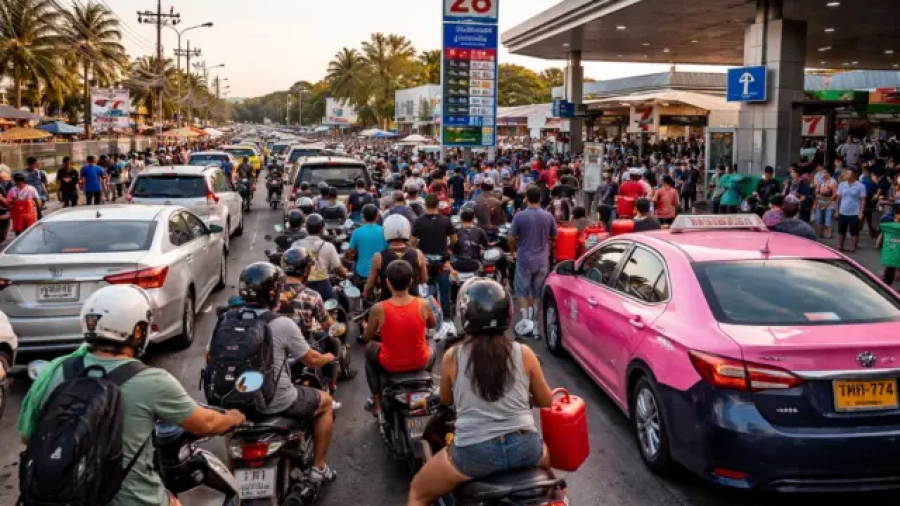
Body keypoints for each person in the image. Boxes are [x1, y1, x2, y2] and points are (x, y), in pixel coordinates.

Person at [19, 285, 246, 506]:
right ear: (137, 331)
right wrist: (234, 418)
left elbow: (28, 437)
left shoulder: (55, 372)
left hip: (63, 496)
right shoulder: (153, 381)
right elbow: (206, 423)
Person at [407, 278, 553, 506]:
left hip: (475, 454)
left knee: (418, 492)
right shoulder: (524, 352)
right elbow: (546, 400)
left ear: (465, 315)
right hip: (525, 448)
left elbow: (446, 399)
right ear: (507, 313)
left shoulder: (453, 356)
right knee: (552, 484)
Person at [234, 263, 338, 483]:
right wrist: (328, 358)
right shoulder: (282, 323)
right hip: (278, 401)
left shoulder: (226, 319)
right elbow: (311, 360)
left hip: (237, 400)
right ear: (273, 294)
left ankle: (232, 474)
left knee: (231, 427)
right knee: (326, 403)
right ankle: (319, 467)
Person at [363, 259, 436, 423]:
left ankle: (377, 405)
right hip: (421, 361)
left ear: (388, 283)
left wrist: (365, 326)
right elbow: (432, 324)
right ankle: (427, 380)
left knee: (369, 350)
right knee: (432, 341)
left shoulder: (378, 308)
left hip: (390, 364)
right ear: (411, 281)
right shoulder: (423, 304)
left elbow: (368, 336)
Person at [508, 185, 556, 329]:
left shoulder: (519, 216)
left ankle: (525, 322)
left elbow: (511, 238)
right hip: (542, 261)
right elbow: (554, 237)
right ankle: (535, 323)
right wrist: (548, 248)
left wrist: (512, 252)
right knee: (537, 294)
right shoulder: (548, 216)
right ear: (540, 198)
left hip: (524, 259)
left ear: (526, 198)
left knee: (522, 292)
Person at [412, 194, 457, 316]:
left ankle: (430, 318)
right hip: (442, 263)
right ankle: (447, 319)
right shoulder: (446, 221)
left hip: (425, 264)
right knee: (445, 294)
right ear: (437, 205)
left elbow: (412, 243)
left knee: (427, 294)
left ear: (425, 205)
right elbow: (454, 240)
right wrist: (448, 249)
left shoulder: (419, 221)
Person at [365, 214, 427, 301]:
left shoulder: (378, 257)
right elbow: (424, 279)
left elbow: (370, 286)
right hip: (413, 302)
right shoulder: (418, 254)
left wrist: (368, 294)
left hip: (387, 303)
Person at [294, 213, 349, 302]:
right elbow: (339, 269)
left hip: (302, 287)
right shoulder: (329, 246)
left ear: (306, 228)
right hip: (323, 287)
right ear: (322, 228)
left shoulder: (296, 244)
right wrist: (345, 274)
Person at [346, 204, 387, 285]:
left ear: (362, 217)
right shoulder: (384, 231)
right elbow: (388, 250)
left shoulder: (357, 232)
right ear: (377, 216)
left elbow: (351, 252)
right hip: (380, 271)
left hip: (362, 272)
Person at [834, 168, 867, 253]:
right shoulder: (842, 185)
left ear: (853, 175)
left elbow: (863, 200)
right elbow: (838, 198)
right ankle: (840, 245)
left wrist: (861, 212)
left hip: (854, 212)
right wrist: (836, 210)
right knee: (841, 230)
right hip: (843, 210)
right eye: (846, 173)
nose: (846, 175)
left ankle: (852, 247)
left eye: (848, 173)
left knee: (854, 231)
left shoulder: (860, 186)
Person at [451, 206, 489, 274]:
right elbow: (487, 245)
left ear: (461, 218)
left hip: (458, 264)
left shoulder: (455, 231)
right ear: (473, 218)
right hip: (474, 264)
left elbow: (450, 248)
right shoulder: (480, 231)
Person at [877, 204, 900, 285]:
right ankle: (887, 282)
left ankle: (887, 282)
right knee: (891, 266)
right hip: (894, 248)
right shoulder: (891, 221)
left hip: (893, 249)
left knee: (891, 265)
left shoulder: (891, 222)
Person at [814, 169, 838, 238]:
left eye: (824, 172)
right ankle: (821, 233)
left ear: (828, 173)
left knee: (828, 219)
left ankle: (829, 233)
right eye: (822, 172)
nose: (822, 173)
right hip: (820, 202)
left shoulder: (833, 181)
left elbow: (835, 195)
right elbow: (817, 191)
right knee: (819, 218)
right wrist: (815, 202)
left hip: (830, 203)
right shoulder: (821, 181)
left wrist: (827, 203)